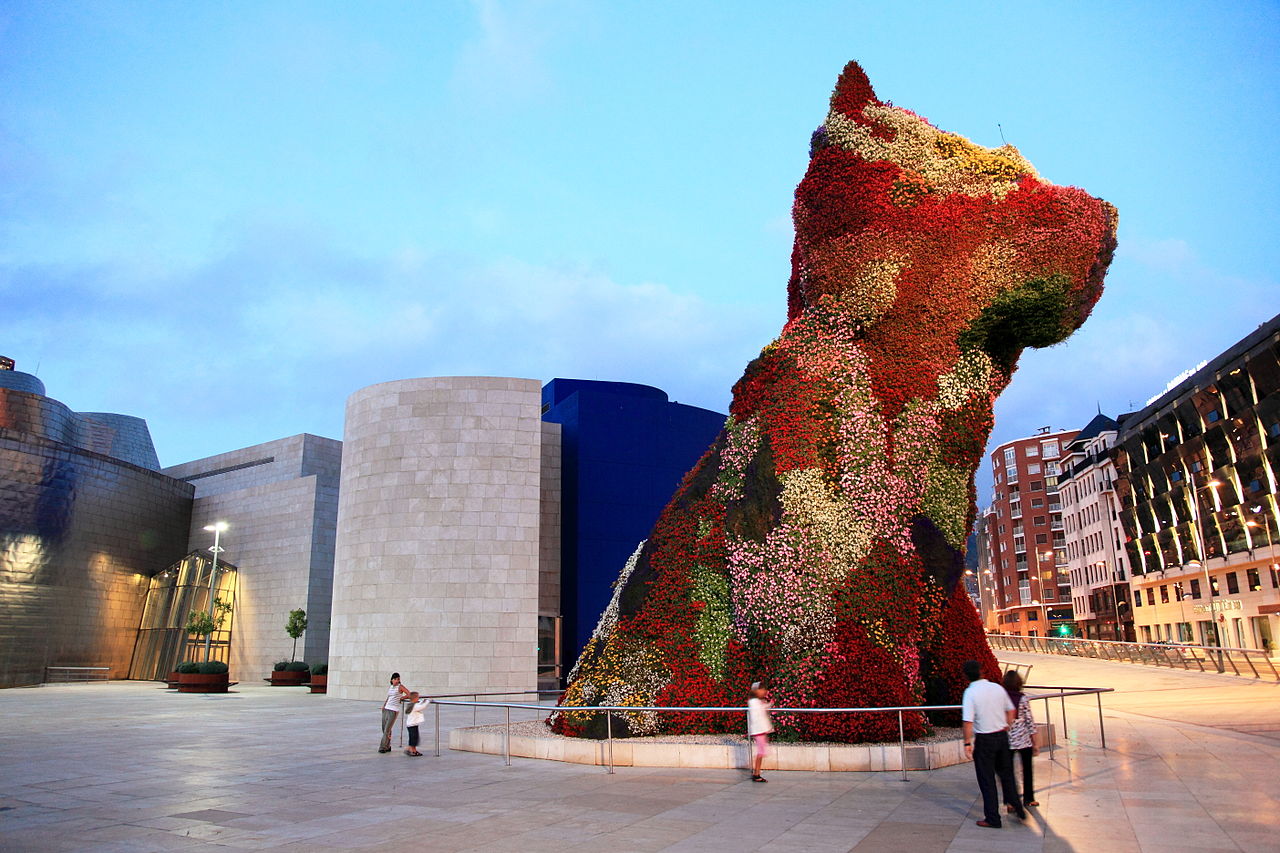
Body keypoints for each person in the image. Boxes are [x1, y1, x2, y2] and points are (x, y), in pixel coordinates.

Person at [961, 660, 1024, 828]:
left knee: (987, 779)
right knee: (1007, 775)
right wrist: (1007, 726)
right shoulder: (997, 688)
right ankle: (1019, 808)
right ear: (982, 671)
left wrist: (967, 743)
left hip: (985, 740)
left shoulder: (970, 693)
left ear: (966, 676)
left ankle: (993, 818)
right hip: (1002, 737)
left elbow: (968, 722)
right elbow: (1011, 710)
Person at [1003, 670, 1039, 808]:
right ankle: (1028, 799)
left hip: (1007, 740)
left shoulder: (1002, 698)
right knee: (1027, 770)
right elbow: (1029, 721)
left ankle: (1010, 801)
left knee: (1008, 772)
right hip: (1024, 740)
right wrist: (1035, 743)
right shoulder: (1023, 699)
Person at [747, 681, 773, 783]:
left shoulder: (757, 701)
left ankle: (756, 773)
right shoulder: (753, 702)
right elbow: (756, 716)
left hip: (761, 730)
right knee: (761, 752)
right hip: (759, 730)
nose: (764, 692)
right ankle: (756, 774)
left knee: (761, 752)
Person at [379, 672, 411, 754]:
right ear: (391, 680)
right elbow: (389, 697)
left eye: (398, 679)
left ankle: (382, 747)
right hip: (386, 709)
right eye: (395, 679)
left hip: (393, 710)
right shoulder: (391, 687)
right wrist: (384, 706)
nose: (397, 681)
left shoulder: (400, 687)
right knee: (385, 729)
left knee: (387, 729)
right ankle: (388, 746)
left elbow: (409, 694)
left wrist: (402, 697)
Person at [404, 692, 430, 757]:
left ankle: (413, 750)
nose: (418, 698)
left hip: (412, 724)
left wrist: (422, 701)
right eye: (418, 697)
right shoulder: (414, 706)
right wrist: (427, 701)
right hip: (412, 724)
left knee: (414, 738)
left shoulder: (411, 705)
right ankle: (411, 749)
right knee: (413, 738)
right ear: (415, 698)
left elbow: (419, 705)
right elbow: (422, 707)